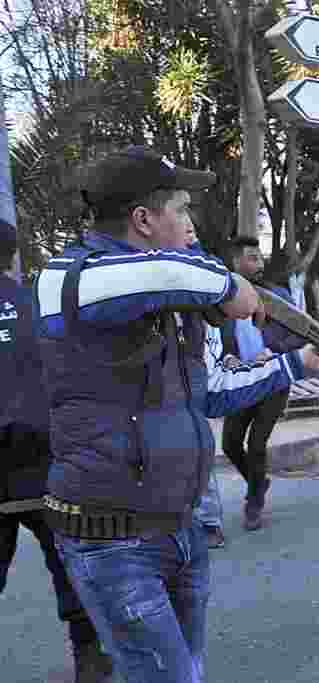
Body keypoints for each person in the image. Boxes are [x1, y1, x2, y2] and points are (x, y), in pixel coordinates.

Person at [35, 146, 319, 682]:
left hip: (181, 526)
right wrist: (233, 286)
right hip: (112, 539)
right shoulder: (71, 278)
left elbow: (213, 392)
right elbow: (173, 276)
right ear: (143, 219)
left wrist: (296, 362)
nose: (191, 224)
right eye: (180, 210)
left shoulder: (174, 295)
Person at [0, 221, 114, 683]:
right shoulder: (39, 307)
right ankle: (89, 656)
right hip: (47, 458)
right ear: (12, 256)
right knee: (70, 562)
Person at [217, 236, 306, 531]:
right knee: (230, 443)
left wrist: (275, 350)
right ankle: (259, 481)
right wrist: (226, 357)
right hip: (241, 380)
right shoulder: (220, 301)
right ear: (236, 262)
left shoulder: (277, 295)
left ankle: (254, 501)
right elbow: (216, 340)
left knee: (256, 444)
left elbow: (300, 334)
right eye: (252, 257)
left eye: (260, 257)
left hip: (274, 378)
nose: (259, 263)